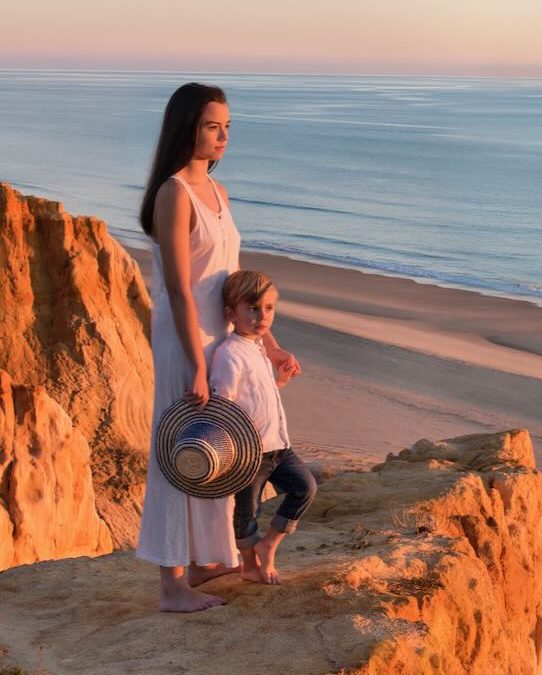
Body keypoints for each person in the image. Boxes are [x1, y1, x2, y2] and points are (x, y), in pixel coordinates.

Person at [135, 83, 302, 612]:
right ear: (188, 126)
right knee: (179, 452)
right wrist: (195, 365)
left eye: (228, 126)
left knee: (219, 454)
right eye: (213, 125)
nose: (224, 136)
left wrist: (268, 343)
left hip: (226, 336)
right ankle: (171, 585)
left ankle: (210, 560)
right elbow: (182, 290)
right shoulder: (173, 193)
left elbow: (235, 285)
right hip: (184, 340)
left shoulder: (218, 192)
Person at [209, 270, 316, 585]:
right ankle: (250, 567)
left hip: (280, 447)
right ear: (231, 314)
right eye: (252, 309)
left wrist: (279, 380)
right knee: (246, 513)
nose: (262, 316)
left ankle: (269, 544)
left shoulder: (257, 348)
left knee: (305, 487)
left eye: (269, 308)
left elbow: (258, 394)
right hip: (251, 453)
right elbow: (224, 403)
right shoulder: (229, 355)